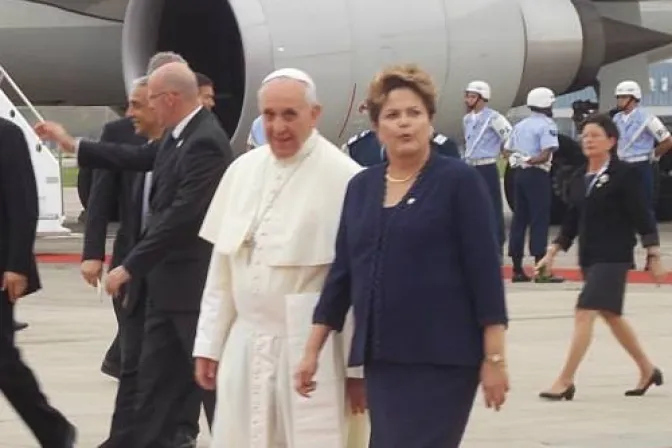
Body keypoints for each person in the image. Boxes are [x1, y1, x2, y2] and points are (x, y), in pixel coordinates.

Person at [295, 64, 509, 447]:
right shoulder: (361, 187)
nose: (405, 124)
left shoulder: (459, 182)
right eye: (393, 115)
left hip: (443, 358)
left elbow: (485, 275)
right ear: (377, 126)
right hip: (384, 358)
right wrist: (311, 350)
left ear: (430, 121)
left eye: (415, 113)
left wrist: (494, 359)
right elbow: (342, 275)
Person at [36, 62, 230, 447]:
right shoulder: (180, 136)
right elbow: (136, 158)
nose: (142, 110)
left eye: (150, 100)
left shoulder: (204, 140)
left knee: (214, 392)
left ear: (170, 99)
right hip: (166, 290)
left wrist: (130, 266)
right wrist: (73, 145)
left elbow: (182, 217)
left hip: (192, 292)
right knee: (153, 385)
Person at [193, 68, 368, 447]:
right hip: (245, 341)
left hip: (313, 349)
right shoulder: (241, 171)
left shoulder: (348, 179)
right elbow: (221, 272)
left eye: (290, 114)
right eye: (269, 115)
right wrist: (208, 343)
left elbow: (357, 287)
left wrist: (358, 369)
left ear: (315, 114)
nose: (278, 126)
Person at [537, 114, 665, 400]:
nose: (588, 140)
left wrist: (653, 252)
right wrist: (552, 252)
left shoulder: (625, 175)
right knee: (611, 314)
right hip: (590, 256)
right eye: (585, 136)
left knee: (585, 312)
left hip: (614, 255)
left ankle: (565, 380)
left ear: (611, 141)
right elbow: (572, 220)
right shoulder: (581, 177)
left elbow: (642, 214)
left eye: (595, 135)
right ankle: (647, 369)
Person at [0, 116, 77, 447]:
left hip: (1, 271)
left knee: (3, 361)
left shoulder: (6, 135)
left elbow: (24, 202)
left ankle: (53, 430)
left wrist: (18, 265)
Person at [83, 109, 147, 381]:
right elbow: (100, 197)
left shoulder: (189, 134)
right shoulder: (119, 133)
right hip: (129, 247)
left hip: (172, 254)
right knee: (133, 321)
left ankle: (121, 361)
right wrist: (92, 253)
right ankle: (122, 362)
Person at [506, 87, 564, 283]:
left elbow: (507, 149)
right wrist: (532, 160)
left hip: (519, 174)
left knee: (519, 220)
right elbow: (546, 154)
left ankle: (516, 268)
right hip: (537, 175)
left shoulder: (521, 125)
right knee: (539, 219)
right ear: (546, 104)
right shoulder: (547, 125)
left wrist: (519, 160)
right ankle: (541, 268)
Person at [612, 80, 672, 269]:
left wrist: (653, 156)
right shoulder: (616, 119)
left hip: (641, 166)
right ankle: (626, 257)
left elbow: (666, 140)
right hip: (623, 166)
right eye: (619, 97)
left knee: (645, 212)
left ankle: (651, 256)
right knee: (623, 212)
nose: (620, 100)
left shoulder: (648, 118)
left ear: (633, 98)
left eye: (623, 97)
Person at [462, 80, 512, 255]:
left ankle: (497, 245)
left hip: (487, 166)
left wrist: (504, 150)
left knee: (492, 207)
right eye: (467, 96)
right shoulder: (467, 119)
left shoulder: (494, 117)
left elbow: (509, 135)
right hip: (471, 165)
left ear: (482, 98)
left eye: (472, 96)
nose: (468, 99)